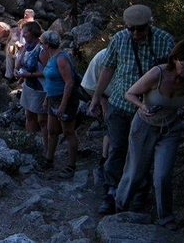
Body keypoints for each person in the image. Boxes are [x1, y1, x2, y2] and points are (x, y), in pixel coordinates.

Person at [116, 40, 184, 230]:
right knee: (135, 171)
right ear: (174, 59)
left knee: (162, 175)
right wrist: (142, 106)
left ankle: (166, 217)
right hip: (144, 126)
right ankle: (120, 207)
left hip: (170, 129)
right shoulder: (157, 73)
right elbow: (130, 93)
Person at [89, 4, 175, 215]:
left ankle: (138, 195)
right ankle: (110, 193)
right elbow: (107, 68)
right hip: (120, 103)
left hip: (147, 109)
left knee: (141, 154)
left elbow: (172, 74)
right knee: (117, 148)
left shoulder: (164, 41)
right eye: (131, 29)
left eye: (140, 29)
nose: (136, 33)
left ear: (149, 25)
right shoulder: (119, 39)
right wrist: (97, 98)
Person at [39, 30, 80, 179]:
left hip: (65, 99)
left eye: (42, 43)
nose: (41, 45)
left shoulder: (61, 59)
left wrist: (63, 105)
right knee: (52, 131)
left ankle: (71, 166)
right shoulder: (52, 57)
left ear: (48, 44)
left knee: (68, 132)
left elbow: (69, 83)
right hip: (53, 98)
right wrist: (47, 99)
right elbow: (51, 81)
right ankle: (49, 160)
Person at [14, 21, 49, 156]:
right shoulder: (26, 47)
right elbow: (21, 65)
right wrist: (21, 74)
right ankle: (29, 145)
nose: (23, 34)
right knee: (29, 115)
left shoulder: (41, 50)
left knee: (42, 120)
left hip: (41, 88)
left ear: (33, 33)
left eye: (26, 32)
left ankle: (47, 150)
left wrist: (29, 75)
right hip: (29, 86)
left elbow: (48, 71)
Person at [81, 48, 113, 180]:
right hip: (109, 97)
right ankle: (105, 160)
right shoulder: (102, 57)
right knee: (111, 129)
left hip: (127, 98)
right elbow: (88, 83)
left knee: (112, 129)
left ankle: (107, 160)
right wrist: (101, 100)